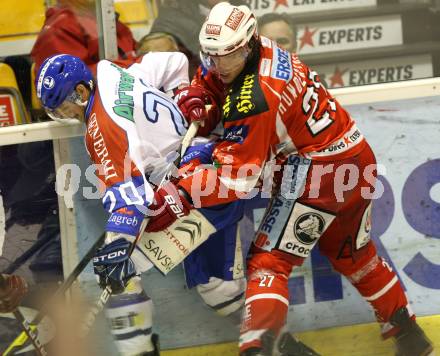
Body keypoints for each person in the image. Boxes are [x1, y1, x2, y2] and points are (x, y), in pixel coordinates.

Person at [145, 2, 434, 356]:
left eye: (226, 56)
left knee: (269, 262)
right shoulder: (260, 47)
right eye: (211, 55)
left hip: (319, 172)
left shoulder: (257, 96)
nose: (217, 64)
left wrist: (179, 195)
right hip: (356, 159)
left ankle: (260, 347)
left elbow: (237, 178)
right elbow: (218, 76)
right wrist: (201, 92)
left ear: (247, 45)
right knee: (355, 255)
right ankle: (409, 334)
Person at [35, 52, 247, 355]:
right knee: (219, 289)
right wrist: (180, 96)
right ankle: (279, 344)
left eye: (62, 108)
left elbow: (134, 200)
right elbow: (174, 62)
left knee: (118, 274)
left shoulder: (102, 129)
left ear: (80, 92)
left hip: (191, 187)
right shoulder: (110, 73)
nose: (64, 114)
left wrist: (118, 247)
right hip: (210, 167)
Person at [31, 0, 137, 75]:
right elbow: (74, 83)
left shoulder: (105, 19)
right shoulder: (61, 28)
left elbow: (133, 52)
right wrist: (136, 68)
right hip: (103, 102)